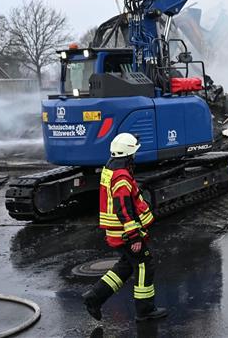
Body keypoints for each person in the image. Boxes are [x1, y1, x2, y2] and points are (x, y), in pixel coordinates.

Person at [82, 133, 168, 322]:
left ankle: (94, 297)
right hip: (125, 233)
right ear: (129, 154)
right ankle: (145, 310)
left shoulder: (110, 168)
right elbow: (124, 209)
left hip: (117, 231)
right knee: (145, 264)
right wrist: (134, 236)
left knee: (126, 266)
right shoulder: (121, 176)